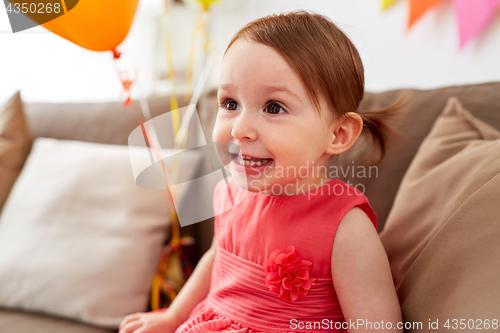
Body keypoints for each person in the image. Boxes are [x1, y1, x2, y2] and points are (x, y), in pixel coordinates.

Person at [119, 10, 408, 333]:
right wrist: (173, 317)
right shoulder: (227, 192)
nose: (240, 129)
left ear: (337, 134)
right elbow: (216, 260)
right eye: (230, 103)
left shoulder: (346, 228)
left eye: (274, 107)